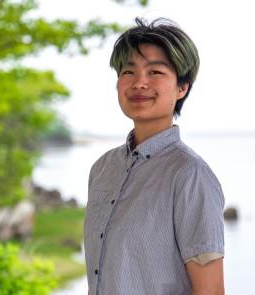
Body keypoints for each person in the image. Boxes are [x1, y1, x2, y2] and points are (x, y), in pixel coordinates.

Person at [84, 17, 225, 295]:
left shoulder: (190, 174)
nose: (139, 83)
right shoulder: (102, 169)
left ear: (182, 87)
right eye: (128, 72)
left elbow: (210, 290)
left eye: (155, 72)